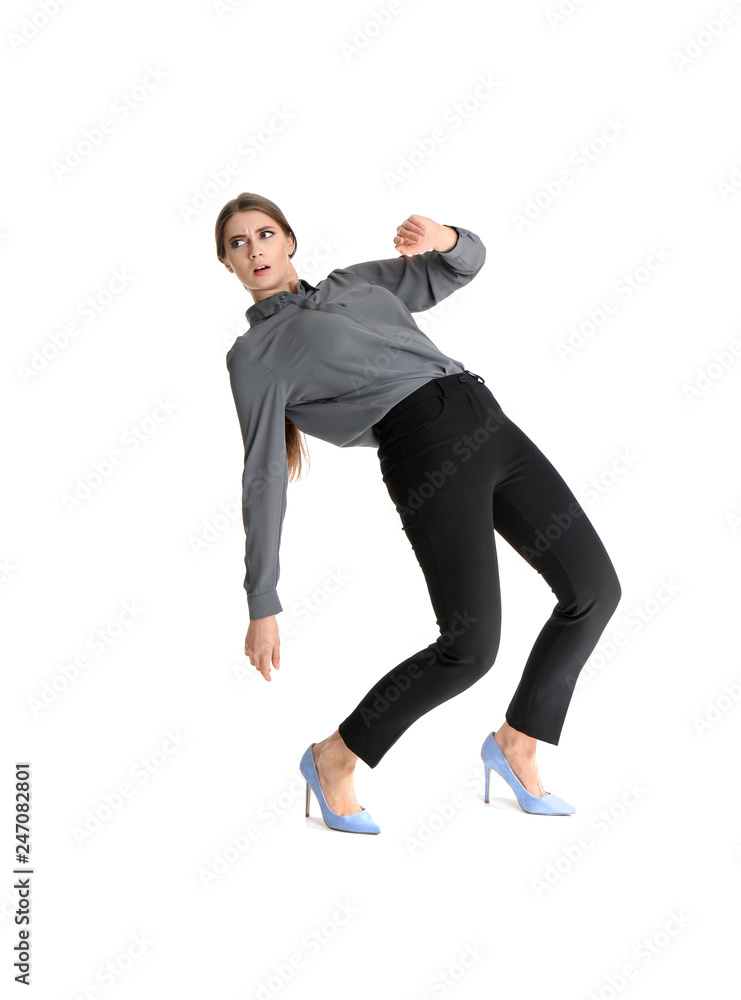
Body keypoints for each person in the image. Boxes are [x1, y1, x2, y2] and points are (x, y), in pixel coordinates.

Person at [218, 192, 621, 834]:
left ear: (289, 241)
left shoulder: (355, 282)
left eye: (264, 234)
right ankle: (335, 757)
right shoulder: (255, 355)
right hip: (424, 450)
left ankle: (518, 741)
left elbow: (465, 264)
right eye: (237, 243)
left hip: (486, 419)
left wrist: (445, 236)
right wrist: (261, 600)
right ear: (228, 264)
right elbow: (263, 476)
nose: (254, 249)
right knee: (470, 648)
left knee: (594, 590)